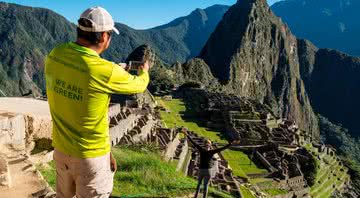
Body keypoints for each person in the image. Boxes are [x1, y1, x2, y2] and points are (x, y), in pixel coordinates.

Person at [45, 6, 150, 198]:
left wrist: (113, 70)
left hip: (60, 151)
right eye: (110, 34)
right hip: (90, 158)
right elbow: (139, 85)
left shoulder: (55, 55)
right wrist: (144, 71)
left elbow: (79, 74)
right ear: (103, 37)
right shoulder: (105, 71)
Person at [181, 128, 240, 198]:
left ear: (204, 144)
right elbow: (222, 148)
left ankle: (195, 196)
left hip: (201, 169)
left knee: (199, 184)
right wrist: (230, 144)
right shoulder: (212, 151)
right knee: (206, 186)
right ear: (210, 145)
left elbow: (193, 142)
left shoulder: (201, 149)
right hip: (208, 171)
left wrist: (186, 134)